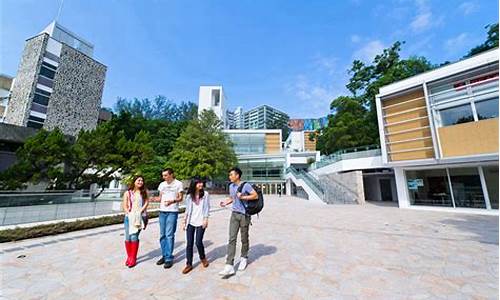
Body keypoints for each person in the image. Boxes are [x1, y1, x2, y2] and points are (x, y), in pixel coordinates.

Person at [218, 167, 258, 276]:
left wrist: (244, 197)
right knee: (232, 238)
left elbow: (255, 195)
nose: (229, 176)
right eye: (229, 175)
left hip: (244, 215)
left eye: (231, 174)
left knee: (244, 238)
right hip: (234, 215)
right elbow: (233, 198)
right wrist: (226, 202)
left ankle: (244, 257)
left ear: (237, 176)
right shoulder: (231, 186)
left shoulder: (246, 185)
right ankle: (229, 265)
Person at [181, 177, 210, 274]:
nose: (201, 185)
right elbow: (187, 209)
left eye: (201, 183)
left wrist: (206, 219)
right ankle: (189, 264)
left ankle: (203, 258)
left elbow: (206, 208)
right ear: (194, 184)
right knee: (189, 244)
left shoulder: (205, 195)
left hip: (201, 221)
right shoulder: (189, 196)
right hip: (191, 222)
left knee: (198, 242)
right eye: (198, 183)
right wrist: (184, 220)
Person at [156, 168, 184, 269]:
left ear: (171, 175)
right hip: (162, 211)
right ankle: (164, 255)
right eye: (163, 176)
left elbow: (181, 198)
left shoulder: (178, 184)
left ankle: (168, 258)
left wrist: (172, 201)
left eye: (166, 175)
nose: (164, 177)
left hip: (172, 212)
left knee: (169, 234)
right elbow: (159, 198)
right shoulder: (162, 185)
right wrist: (151, 198)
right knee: (162, 234)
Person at [122, 175, 149, 268]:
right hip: (129, 218)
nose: (140, 182)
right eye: (139, 180)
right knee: (127, 238)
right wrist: (128, 213)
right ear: (134, 181)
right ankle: (129, 257)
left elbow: (146, 202)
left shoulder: (143, 192)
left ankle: (133, 258)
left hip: (139, 218)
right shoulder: (128, 193)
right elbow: (124, 205)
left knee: (134, 236)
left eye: (142, 180)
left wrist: (141, 211)